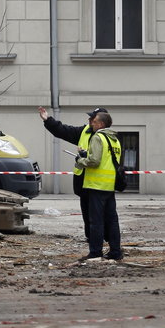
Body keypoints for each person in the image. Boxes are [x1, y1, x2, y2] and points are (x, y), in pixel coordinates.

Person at [38, 104, 110, 245]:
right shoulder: (84, 131)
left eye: (93, 119)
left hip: (99, 182)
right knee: (87, 210)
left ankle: (103, 239)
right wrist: (47, 120)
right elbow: (63, 130)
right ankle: (91, 237)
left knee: (101, 213)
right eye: (90, 119)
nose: (90, 121)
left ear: (101, 122)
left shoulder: (106, 137)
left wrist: (84, 156)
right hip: (83, 180)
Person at [76, 111, 123, 262]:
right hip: (109, 185)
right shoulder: (114, 139)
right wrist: (86, 154)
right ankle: (115, 251)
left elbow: (95, 161)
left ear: (101, 124)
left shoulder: (97, 137)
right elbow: (106, 159)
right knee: (112, 220)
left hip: (96, 185)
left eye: (94, 121)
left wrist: (80, 160)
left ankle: (95, 252)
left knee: (96, 221)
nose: (92, 123)